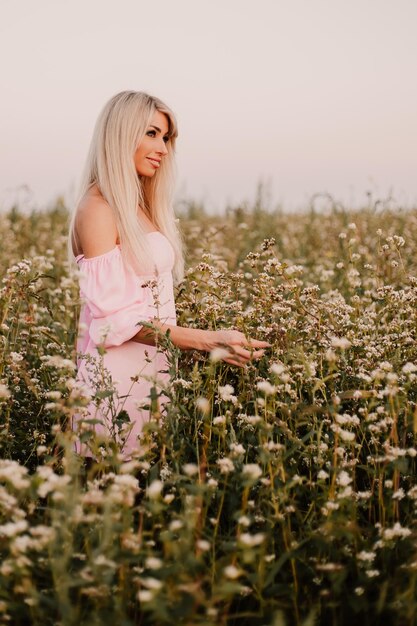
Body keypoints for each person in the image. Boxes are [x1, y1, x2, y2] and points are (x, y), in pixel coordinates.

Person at [68, 90, 269, 460]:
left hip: (152, 376)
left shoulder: (139, 206)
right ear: (119, 135)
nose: (162, 147)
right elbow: (115, 323)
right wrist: (205, 341)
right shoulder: (98, 209)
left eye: (166, 137)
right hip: (116, 389)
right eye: (150, 133)